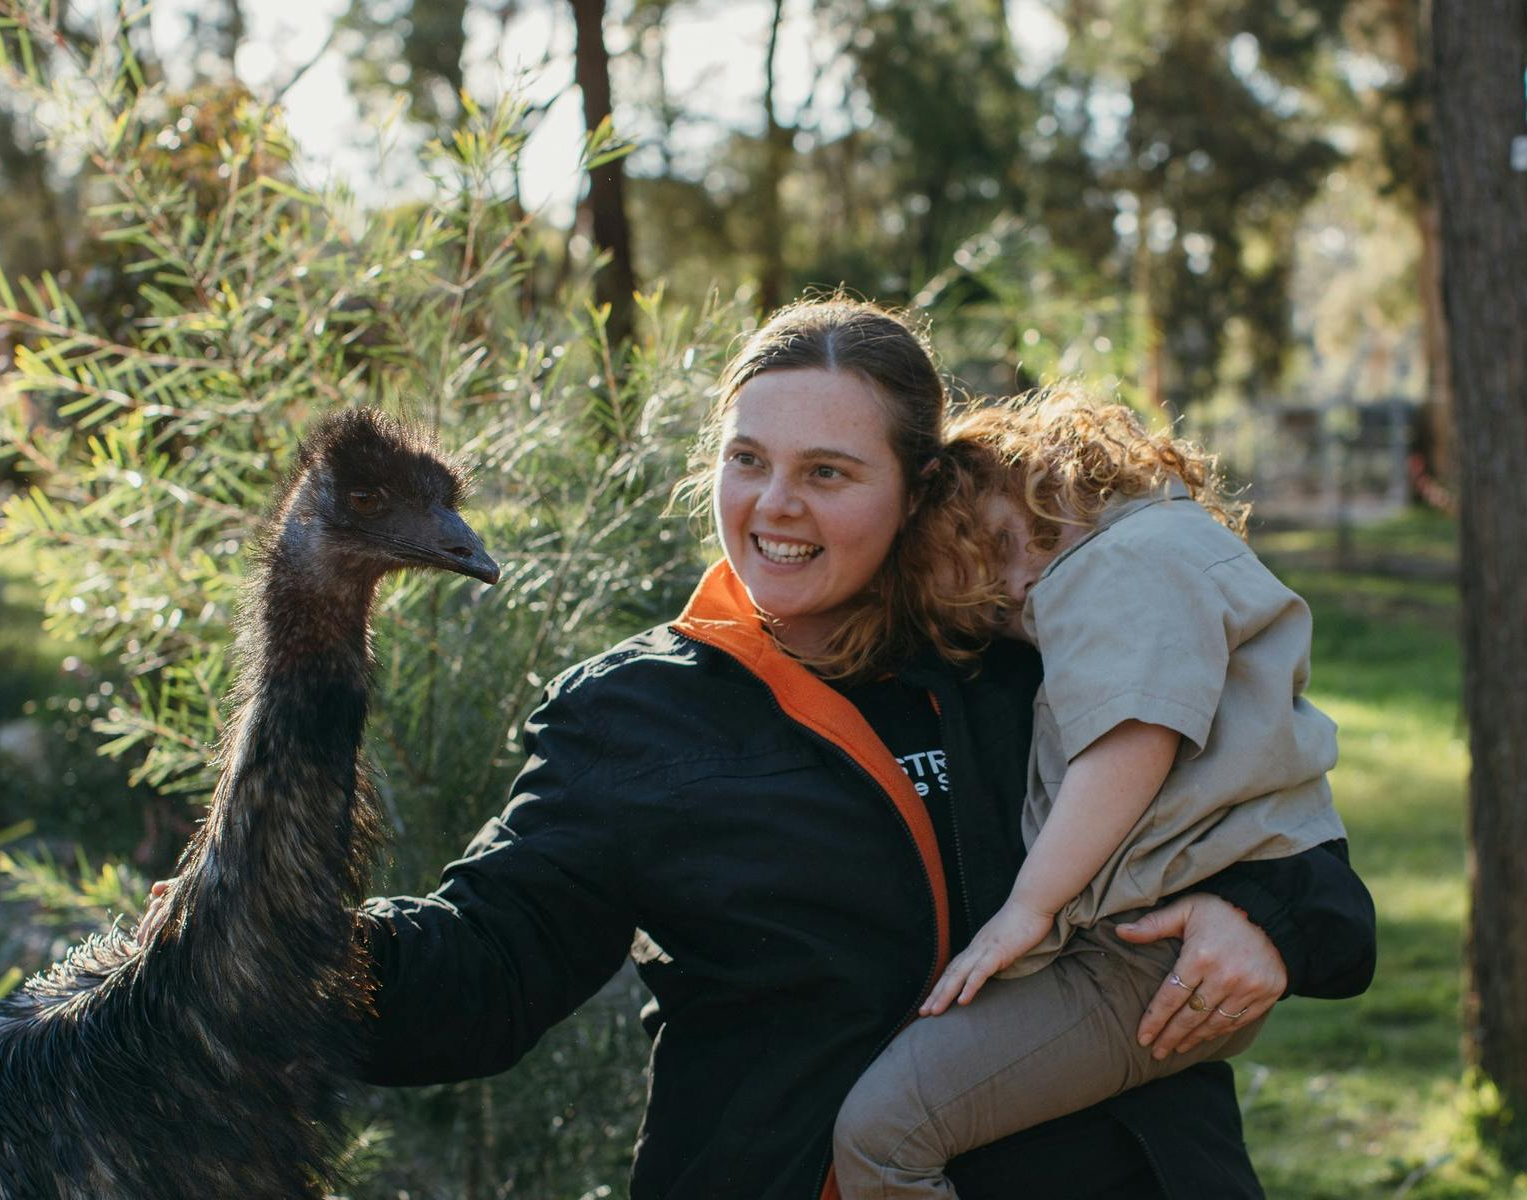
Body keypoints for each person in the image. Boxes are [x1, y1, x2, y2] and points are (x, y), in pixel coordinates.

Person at [146, 298, 1375, 1199]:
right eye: (748, 462)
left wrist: (1264, 917)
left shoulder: (1021, 651)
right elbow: (492, 968)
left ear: (915, 489)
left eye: (827, 472)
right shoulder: (637, 715)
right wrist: (281, 946)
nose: (774, 506)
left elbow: (1273, 815)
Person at [830, 388, 1351, 1199]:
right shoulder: (1169, 546)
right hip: (1169, 946)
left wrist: (1029, 909)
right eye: (990, 605)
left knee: (884, 1135)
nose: (1020, 586)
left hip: (1140, 956)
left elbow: (1130, 744)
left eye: (1005, 544)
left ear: (1049, 474)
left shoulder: (1118, 562)